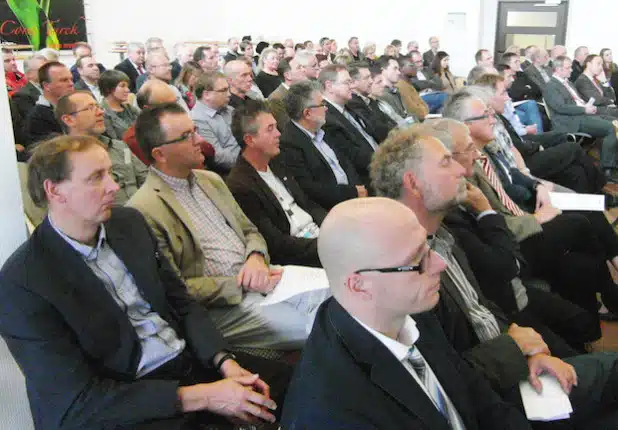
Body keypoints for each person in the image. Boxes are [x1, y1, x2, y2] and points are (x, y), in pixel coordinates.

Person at [0, 135, 290, 429]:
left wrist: (225, 363)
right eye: (96, 178)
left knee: (300, 384)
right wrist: (205, 397)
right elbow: (77, 400)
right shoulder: (23, 282)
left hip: (186, 362)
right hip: (129, 399)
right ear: (55, 191)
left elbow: (182, 303)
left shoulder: (128, 224)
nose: (114, 186)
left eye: (110, 173)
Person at [369, 125, 618, 428]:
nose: (462, 169)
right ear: (414, 183)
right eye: (447, 162)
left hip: (512, 368)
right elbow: (444, 380)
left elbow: (482, 305)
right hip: (496, 400)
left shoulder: (441, 235)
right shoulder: (399, 270)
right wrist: (515, 349)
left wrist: (527, 350)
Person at [281, 197, 532, 429]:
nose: (439, 264)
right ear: (359, 285)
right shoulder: (331, 409)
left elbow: (475, 396)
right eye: (417, 260)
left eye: (428, 247)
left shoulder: (409, 310)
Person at [128, 103, 330, 349]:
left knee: (348, 293)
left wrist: (255, 256)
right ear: (160, 154)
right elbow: (176, 288)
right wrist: (241, 282)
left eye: (195, 130)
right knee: (325, 328)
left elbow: (250, 231)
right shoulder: (143, 208)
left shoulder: (210, 180)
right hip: (227, 304)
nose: (200, 140)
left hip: (267, 274)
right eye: (187, 136)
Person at [226, 101, 326, 267]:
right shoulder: (240, 185)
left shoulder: (276, 160)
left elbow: (307, 204)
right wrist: (326, 245)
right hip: (299, 257)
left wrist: (332, 225)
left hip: (320, 236)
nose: (279, 134)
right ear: (250, 140)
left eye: (276, 127)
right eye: (270, 129)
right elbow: (277, 244)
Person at [279, 81, 367, 209]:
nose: (326, 108)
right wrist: (353, 193)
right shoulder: (290, 144)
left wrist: (359, 190)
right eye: (322, 104)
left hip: (357, 194)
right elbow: (313, 190)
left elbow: (346, 163)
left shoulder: (324, 127)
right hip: (337, 207)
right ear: (307, 113)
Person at [544, 55, 618, 182]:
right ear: (558, 69)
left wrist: (587, 106)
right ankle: (607, 168)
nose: (571, 70)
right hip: (570, 121)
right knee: (612, 128)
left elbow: (577, 101)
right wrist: (584, 109)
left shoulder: (568, 83)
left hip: (582, 115)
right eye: (568, 68)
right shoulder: (551, 86)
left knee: (615, 122)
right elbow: (561, 108)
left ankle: (612, 161)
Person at [99, 70, 140, 140]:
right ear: (108, 88)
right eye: (122, 86)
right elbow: (114, 142)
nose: (127, 90)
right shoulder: (102, 113)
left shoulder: (130, 108)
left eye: (127, 86)